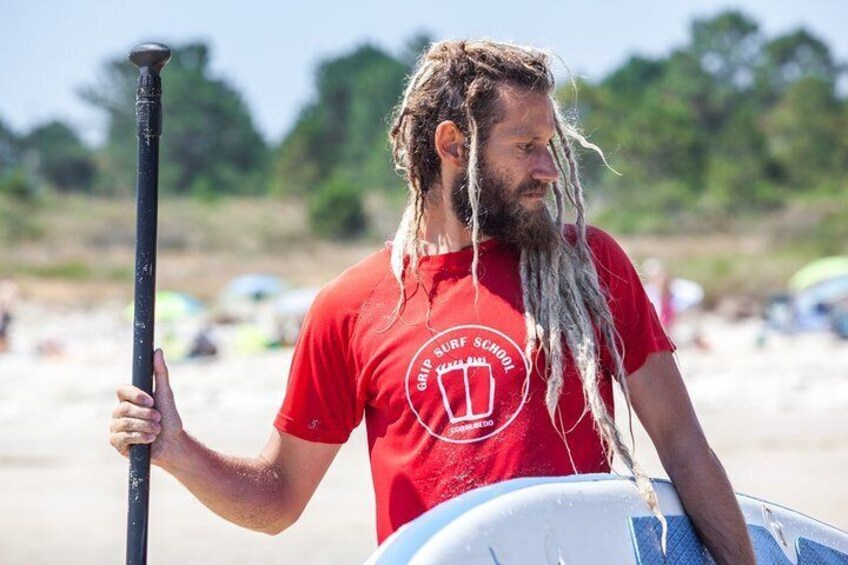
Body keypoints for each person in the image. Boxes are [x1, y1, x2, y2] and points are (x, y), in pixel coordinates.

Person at [110, 40, 755, 562]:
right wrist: (175, 449)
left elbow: (682, 445)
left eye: (549, 145)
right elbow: (278, 499)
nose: (550, 169)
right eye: (526, 147)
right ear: (453, 146)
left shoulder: (585, 266)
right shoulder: (353, 306)